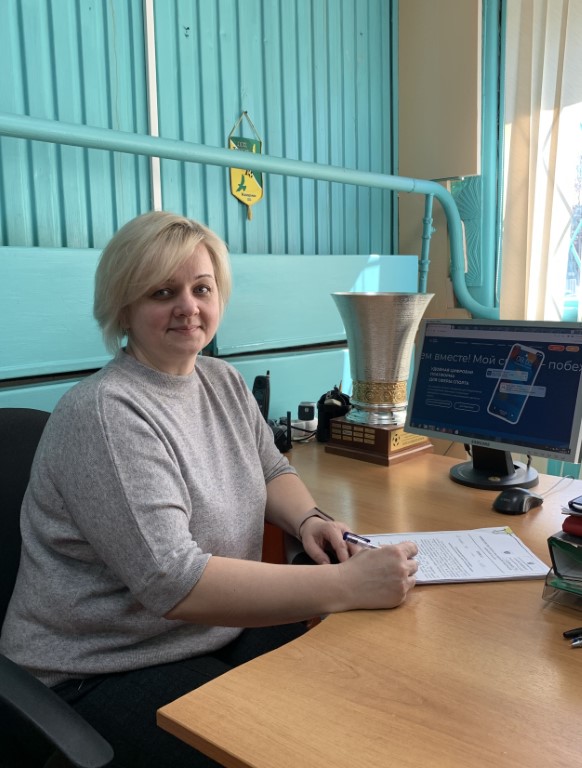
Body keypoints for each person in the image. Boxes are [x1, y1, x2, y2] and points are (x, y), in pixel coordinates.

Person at [0, 211, 418, 767]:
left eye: (201, 288)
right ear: (123, 308)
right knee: (281, 751)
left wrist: (311, 520)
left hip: (213, 632)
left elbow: (270, 469)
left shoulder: (221, 381)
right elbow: (175, 583)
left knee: (358, 696)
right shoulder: (105, 414)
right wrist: (345, 584)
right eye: (162, 292)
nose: (188, 307)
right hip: (100, 667)